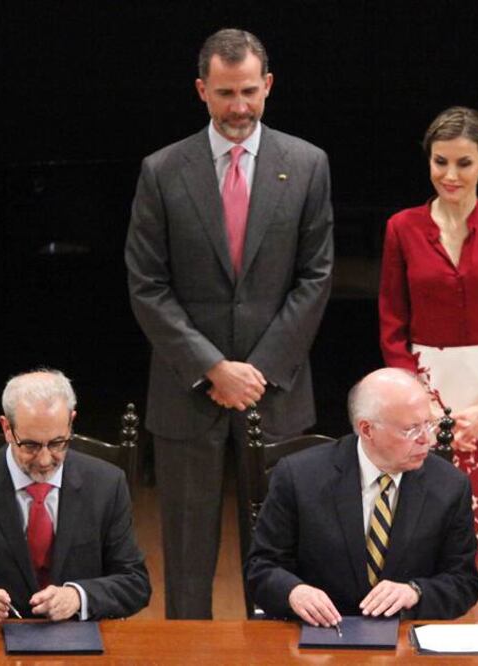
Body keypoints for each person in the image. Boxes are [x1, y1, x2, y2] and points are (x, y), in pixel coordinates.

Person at [124, 28, 333, 619]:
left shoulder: (307, 164)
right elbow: (146, 283)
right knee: (187, 565)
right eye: (224, 93)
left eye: (248, 91)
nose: (239, 107)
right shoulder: (163, 170)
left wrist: (255, 372)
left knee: (277, 559)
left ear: (268, 85)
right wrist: (213, 368)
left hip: (274, 393)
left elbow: (315, 278)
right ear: (201, 90)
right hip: (187, 393)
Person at [378, 106, 478, 621]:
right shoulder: (402, 228)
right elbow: (393, 328)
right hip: (419, 393)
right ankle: (425, 645)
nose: (450, 174)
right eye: (440, 161)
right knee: (419, 535)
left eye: (463, 163)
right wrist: (425, 405)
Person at [0, 369, 151, 627]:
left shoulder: (108, 485)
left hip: (79, 636)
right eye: (30, 445)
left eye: (57, 443)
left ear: (71, 422)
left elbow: (136, 583)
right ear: (7, 428)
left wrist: (79, 597)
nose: (44, 460)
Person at [245, 368, 478, 623]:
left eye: (428, 424)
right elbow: (261, 567)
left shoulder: (450, 485)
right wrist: (294, 592)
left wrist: (415, 592)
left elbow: (464, 581)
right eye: (411, 430)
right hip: (322, 630)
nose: (426, 439)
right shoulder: (299, 477)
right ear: (367, 430)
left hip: (403, 631)